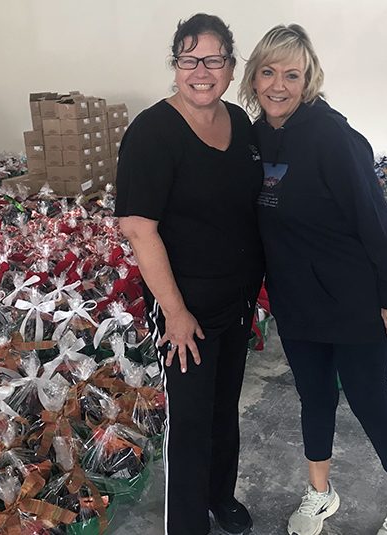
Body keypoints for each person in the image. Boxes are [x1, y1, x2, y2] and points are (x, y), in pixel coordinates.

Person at [239, 24, 387, 535]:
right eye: (268, 72)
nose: (278, 85)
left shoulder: (334, 137)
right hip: (296, 300)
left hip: (353, 298)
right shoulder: (254, 137)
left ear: (310, 80)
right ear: (254, 77)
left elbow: (375, 220)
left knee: (368, 399)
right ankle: (320, 492)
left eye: (292, 75)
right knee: (314, 398)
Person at [114, 13, 264, 535]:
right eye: (189, 59)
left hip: (237, 298)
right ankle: (185, 524)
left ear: (230, 65)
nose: (202, 71)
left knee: (225, 408)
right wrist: (174, 313)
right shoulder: (152, 133)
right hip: (185, 306)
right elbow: (138, 229)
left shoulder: (241, 124)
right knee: (191, 420)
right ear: (175, 65)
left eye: (214, 59)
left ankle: (218, 496)